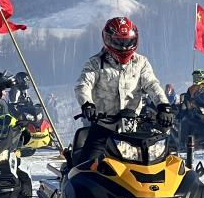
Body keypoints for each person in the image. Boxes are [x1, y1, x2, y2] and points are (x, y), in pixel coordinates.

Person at [71, 17, 171, 164]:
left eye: (127, 42)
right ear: (108, 40)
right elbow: (83, 84)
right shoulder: (96, 62)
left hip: (133, 127)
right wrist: (87, 105)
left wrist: (164, 106)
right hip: (103, 126)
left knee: (153, 163)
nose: (124, 47)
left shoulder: (141, 62)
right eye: (118, 42)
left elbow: (152, 84)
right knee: (85, 168)